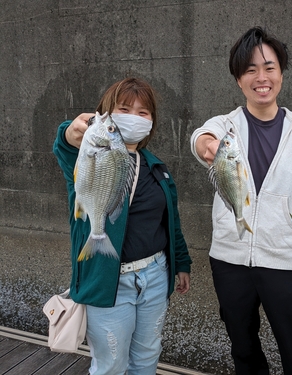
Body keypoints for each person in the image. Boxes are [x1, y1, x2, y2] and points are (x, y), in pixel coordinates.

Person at [190, 27, 292, 374]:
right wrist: (206, 145)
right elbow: (201, 137)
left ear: (281, 73)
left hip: (285, 262)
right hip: (229, 260)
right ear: (239, 80)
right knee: (242, 343)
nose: (261, 77)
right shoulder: (226, 126)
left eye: (269, 67)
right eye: (250, 70)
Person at [53, 77, 192, 375]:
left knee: (146, 358)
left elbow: (172, 223)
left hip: (155, 276)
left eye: (143, 112)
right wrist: (69, 133)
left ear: (152, 122)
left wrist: (182, 263)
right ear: (107, 113)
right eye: (124, 108)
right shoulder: (88, 154)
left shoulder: (158, 168)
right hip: (109, 283)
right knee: (111, 365)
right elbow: (66, 146)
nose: (134, 117)